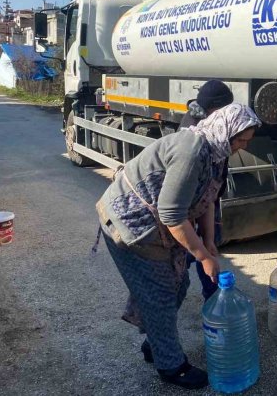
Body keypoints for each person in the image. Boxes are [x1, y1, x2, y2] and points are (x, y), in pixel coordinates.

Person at [96, 103, 261, 389]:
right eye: (240, 140)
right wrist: (201, 256)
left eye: (247, 141)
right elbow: (172, 213)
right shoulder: (193, 151)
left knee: (179, 284)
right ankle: (171, 366)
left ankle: (157, 343)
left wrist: (208, 242)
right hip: (130, 222)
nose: (242, 146)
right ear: (226, 130)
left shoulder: (217, 151)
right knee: (159, 291)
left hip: (159, 223)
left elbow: (208, 198)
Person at [177, 79, 234, 300]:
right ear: (215, 108)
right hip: (190, 206)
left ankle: (213, 297)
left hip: (206, 201)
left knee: (207, 248)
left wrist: (208, 240)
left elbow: (209, 196)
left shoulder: (212, 123)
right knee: (190, 254)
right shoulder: (194, 131)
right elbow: (182, 202)